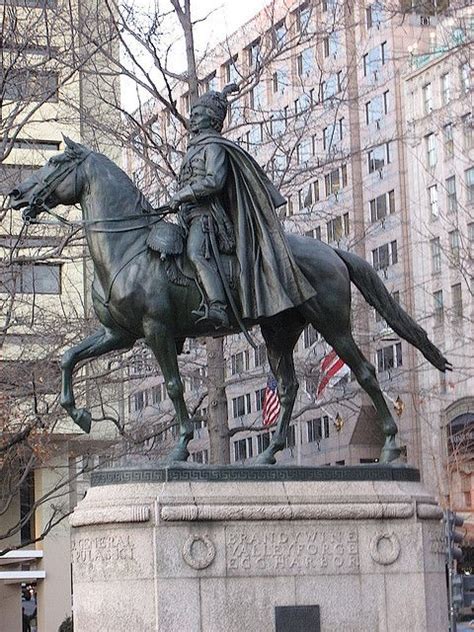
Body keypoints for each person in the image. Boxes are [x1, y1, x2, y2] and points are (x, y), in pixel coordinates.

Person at [168, 83, 315, 329]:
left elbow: (214, 180)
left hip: (208, 219)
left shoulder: (214, 147)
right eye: (192, 114)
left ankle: (217, 306)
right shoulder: (194, 150)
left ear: (212, 120)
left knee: (195, 253)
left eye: (198, 114)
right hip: (189, 217)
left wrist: (184, 194)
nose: (192, 118)